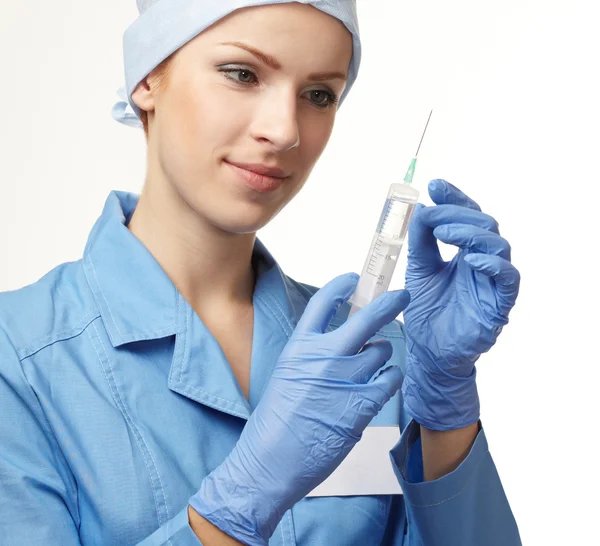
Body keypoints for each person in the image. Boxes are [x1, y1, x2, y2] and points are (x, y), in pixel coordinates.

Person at [0, 1, 522, 545]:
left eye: (318, 95)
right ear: (148, 78)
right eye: (242, 74)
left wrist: (445, 412)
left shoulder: (371, 353)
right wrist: (241, 501)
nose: (284, 130)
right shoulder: (19, 360)